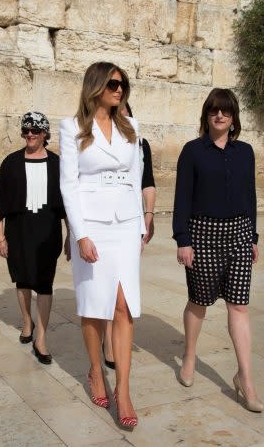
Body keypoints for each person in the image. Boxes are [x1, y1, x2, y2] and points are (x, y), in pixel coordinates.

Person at [59, 61, 145, 428]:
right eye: (113, 84)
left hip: (125, 225)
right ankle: (96, 371)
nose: (119, 90)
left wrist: (141, 225)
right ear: (95, 85)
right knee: (95, 307)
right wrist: (79, 234)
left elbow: (136, 176)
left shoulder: (132, 127)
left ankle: (123, 389)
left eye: (123, 84)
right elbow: (69, 184)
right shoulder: (72, 128)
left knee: (124, 306)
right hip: (92, 225)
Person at [172, 88, 264, 412]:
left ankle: (246, 379)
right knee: (199, 302)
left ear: (234, 117)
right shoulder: (193, 152)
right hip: (203, 234)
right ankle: (189, 354)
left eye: (225, 111)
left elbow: (250, 196)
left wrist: (252, 236)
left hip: (239, 233)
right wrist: (183, 239)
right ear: (206, 115)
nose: (220, 115)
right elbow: (182, 197)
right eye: (214, 110)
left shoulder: (246, 152)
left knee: (239, 306)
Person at [0, 111, 68, 365]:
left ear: (45, 133)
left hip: (47, 229)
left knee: (45, 282)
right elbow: (1, 201)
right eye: (26, 130)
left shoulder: (57, 163)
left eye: (35, 130)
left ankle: (42, 337)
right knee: (22, 279)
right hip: (18, 229)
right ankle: (27, 323)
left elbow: (67, 204)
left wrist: (71, 235)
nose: (30, 135)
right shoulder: (11, 162)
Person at [103, 101, 156, 370]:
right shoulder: (98, 142)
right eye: (116, 112)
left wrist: (149, 214)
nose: (120, 116)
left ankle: (115, 337)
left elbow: (148, 182)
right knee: (108, 280)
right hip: (103, 221)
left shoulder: (140, 145)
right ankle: (108, 342)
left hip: (131, 222)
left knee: (123, 283)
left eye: (125, 112)